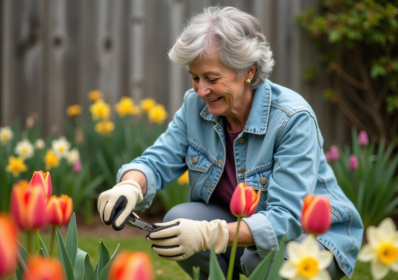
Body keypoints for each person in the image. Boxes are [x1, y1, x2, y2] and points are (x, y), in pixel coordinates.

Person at [97, 6, 363, 280]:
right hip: (240, 230)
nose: (201, 90)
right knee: (178, 218)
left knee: (256, 256)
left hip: (316, 239)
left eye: (212, 78)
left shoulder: (292, 119)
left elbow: (287, 218)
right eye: (195, 77)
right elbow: (157, 160)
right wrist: (129, 185)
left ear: (249, 70)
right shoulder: (194, 107)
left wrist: (210, 235)